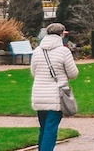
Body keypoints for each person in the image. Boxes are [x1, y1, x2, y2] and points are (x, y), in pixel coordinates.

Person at [29, 23, 78, 151]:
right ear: (62, 34)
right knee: (51, 129)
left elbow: (33, 72)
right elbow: (73, 74)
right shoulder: (64, 51)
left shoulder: (37, 51)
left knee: (44, 128)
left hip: (39, 93)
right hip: (56, 94)